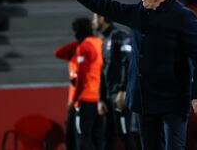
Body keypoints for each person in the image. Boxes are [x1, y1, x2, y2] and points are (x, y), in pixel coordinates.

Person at [54, 0, 197, 149]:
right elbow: (103, 5)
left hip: (174, 100)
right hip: (144, 99)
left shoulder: (184, 17)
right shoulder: (137, 13)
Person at [93, 13, 137, 150]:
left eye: (94, 18)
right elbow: (103, 71)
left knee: (125, 133)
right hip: (109, 96)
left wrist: (123, 90)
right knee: (108, 135)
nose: (93, 22)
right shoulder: (104, 40)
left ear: (101, 18)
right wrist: (101, 98)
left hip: (120, 95)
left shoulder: (120, 36)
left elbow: (127, 62)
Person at [70, 18, 104, 150]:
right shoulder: (100, 42)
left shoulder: (84, 46)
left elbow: (82, 76)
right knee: (98, 137)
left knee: (83, 137)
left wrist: (75, 98)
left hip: (86, 98)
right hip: (100, 98)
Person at [54, 41, 79, 150]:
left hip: (84, 102)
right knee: (69, 135)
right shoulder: (73, 58)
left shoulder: (89, 58)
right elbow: (58, 53)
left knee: (81, 136)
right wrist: (80, 40)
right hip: (72, 104)